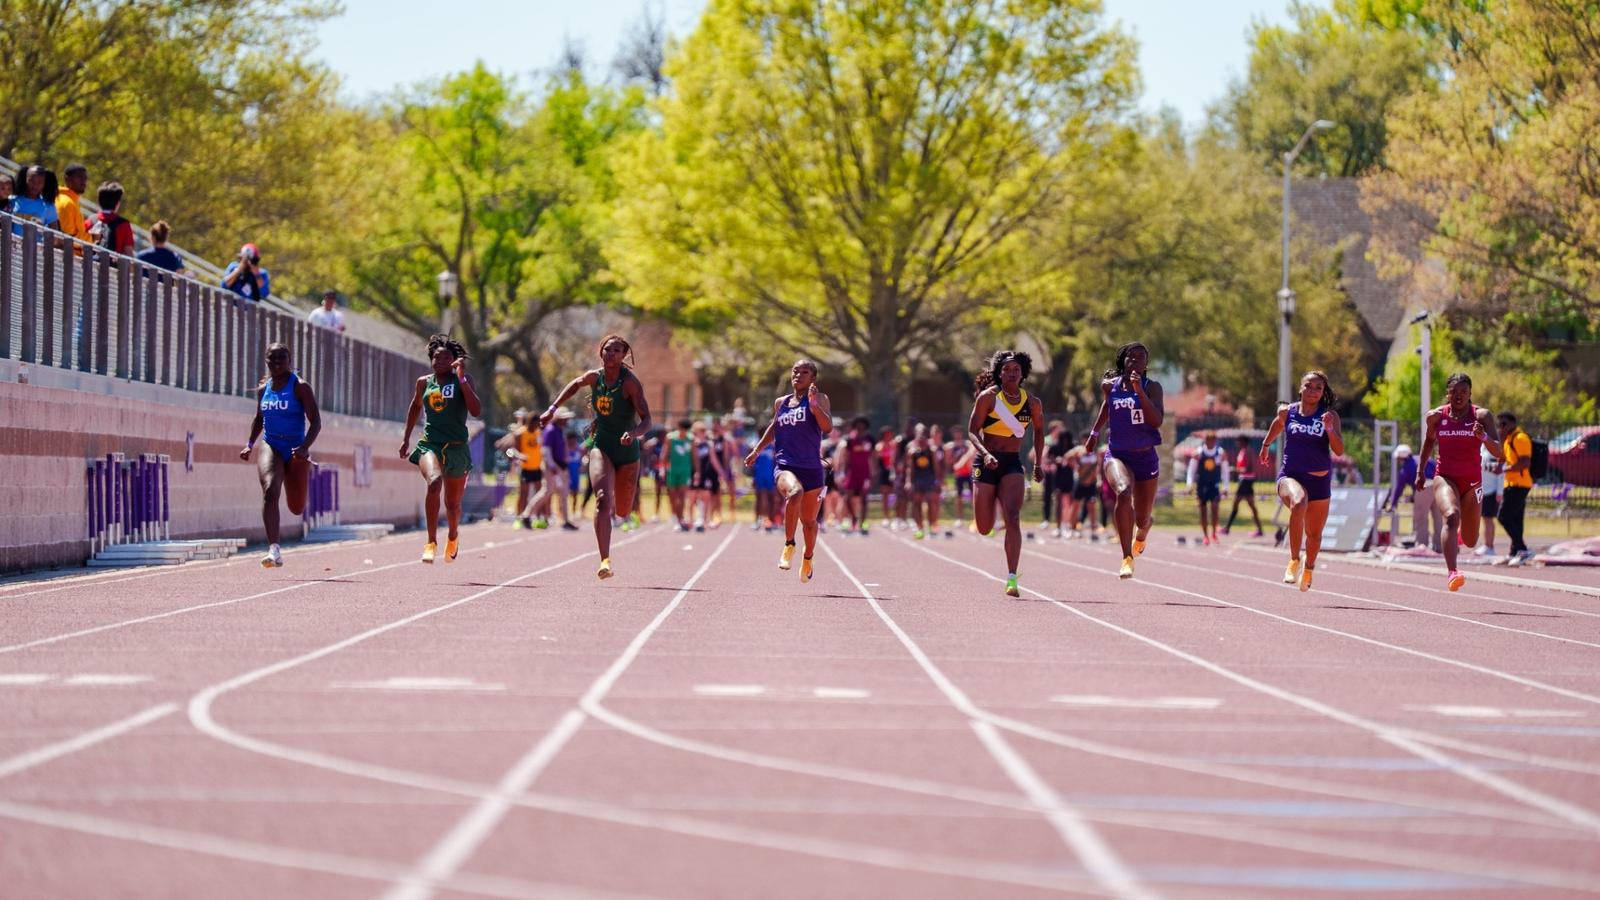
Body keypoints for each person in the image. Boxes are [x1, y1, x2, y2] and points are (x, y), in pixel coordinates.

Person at [541, 334, 653, 579]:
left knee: (623, 510)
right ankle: (605, 560)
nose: (610, 354)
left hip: (628, 450)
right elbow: (575, 384)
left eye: (615, 351)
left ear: (624, 355)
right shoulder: (595, 377)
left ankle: (621, 516)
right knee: (602, 499)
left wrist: (633, 434)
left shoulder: (630, 383)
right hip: (601, 445)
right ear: (600, 352)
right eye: (606, 350)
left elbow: (647, 420)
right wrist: (552, 409)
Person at [967, 351, 1046, 598]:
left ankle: (1012, 577)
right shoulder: (988, 398)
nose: (1012, 373)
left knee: (1013, 517)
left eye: (1016, 370)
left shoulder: (1032, 403)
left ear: (1023, 374)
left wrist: (1038, 463)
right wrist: (985, 453)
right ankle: (985, 518)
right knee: (983, 527)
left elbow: (1040, 433)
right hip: (986, 461)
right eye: (1007, 369)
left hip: (1012, 462)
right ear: (999, 373)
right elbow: (972, 430)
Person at [745, 359, 833, 581]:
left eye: (805, 372)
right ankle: (789, 544)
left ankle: (808, 558)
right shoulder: (781, 403)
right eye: (795, 371)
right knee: (794, 493)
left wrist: (813, 405)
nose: (799, 375)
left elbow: (827, 427)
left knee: (810, 522)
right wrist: (757, 450)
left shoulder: (820, 399)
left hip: (812, 467)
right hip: (785, 464)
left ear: (813, 378)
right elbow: (775, 426)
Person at [1414, 373, 1502, 591]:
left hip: (1472, 483)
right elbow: (1428, 444)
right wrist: (1420, 472)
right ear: (1448, 393)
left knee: (1471, 541)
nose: (1459, 396)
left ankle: (1459, 535)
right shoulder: (1436, 417)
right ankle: (1453, 572)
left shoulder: (1482, 416)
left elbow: (1499, 452)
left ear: (1470, 393)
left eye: (1463, 392)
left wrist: (1483, 437)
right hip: (1445, 477)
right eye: (1454, 392)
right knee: (1451, 517)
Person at [1085, 342, 1165, 579]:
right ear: (1123, 361)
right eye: (1131, 357)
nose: (1136, 361)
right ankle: (1126, 557)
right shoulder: (1110, 386)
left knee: (1142, 518)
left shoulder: (1153, 388)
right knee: (1122, 490)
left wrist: (1139, 391)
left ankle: (1142, 532)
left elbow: (1157, 421)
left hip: (1145, 457)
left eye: (1141, 358)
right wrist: (1094, 432)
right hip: (1118, 453)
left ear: (1146, 364)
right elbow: (1106, 406)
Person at [400, 335, 482, 563]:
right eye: (437, 357)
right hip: (430, 444)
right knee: (434, 482)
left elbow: (476, 410)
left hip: (456, 447)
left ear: (455, 361)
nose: (441, 361)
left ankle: (453, 536)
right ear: (431, 359)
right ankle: (430, 542)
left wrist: (462, 378)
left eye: (447, 358)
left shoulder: (463, 380)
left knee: (453, 504)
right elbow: (415, 406)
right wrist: (406, 438)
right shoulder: (424, 383)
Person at [1259, 371, 1343, 592]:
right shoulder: (1288, 412)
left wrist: (1330, 429)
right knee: (1298, 502)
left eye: (1319, 388)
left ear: (1323, 392)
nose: (1313, 391)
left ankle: (1309, 569)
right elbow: (1278, 425)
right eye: (1309, 386)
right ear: (1300, 388)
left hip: (1320, 480)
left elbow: (1339, 450)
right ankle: (1294, 560)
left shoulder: (1329, 416)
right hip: (1291, 475)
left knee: (1314, 536)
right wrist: (1266, 445)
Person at [239, 342, 320, 568]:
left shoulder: (300, 387)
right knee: (270, 490)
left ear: (289, 361)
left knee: (296, 507)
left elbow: (316, 422)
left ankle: (304, 467)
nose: (276, 364)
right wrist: (249, 443)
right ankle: (274, 549)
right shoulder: (264, 389)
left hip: (296, 450)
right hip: (271, 444)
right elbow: (259, 418)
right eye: (272, 360)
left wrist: (305, 447)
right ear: (266, 362)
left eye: (281, 359)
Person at [524, 407, 578, 531]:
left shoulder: (559, 430)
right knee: (547, 492)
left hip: (561, 467)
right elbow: (546, 450)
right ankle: (527, 515)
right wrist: (552, 466)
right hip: (553, 467)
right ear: (558, 419)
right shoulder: (551, 430)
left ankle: (565, 520)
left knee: (564, 494)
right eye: (564, 419)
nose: (567, 421)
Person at [1496, 411, 1534, 566]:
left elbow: (1525, 462)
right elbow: (1503, 458)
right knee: (1516, 520)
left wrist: (1504, 469)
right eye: (1499, 425)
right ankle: (1514, 553)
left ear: (1513, 423)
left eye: (1504, 424)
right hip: (1510, 484)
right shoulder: (1508, 440)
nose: (1501, 427)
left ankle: (1523, 549)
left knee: (1503, 517)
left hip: (1520, 484)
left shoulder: (1520, 438)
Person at [1187, 430, 1229, 546]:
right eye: (1208, 440)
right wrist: (1190, 484)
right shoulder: (1199, 453)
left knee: (1215, 508)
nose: (1210, 443)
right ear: (1205, 441)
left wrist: (1226, 487)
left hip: (1214, 485)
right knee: (1203, 511)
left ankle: (1214, 532)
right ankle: (1205, 535)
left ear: (1215, 441)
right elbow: (1191, 469)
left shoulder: (1220, 453)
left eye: (1212, 440)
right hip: (1202, 485)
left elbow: (1225, 471)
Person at [505, 409, 544, 528]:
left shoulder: (539, 433)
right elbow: (512, 450)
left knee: (539, 494)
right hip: (525, 468)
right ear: (529, 422)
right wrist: (520, 456)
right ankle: (519, 518)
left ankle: (537, 518)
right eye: (534, 423)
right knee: (523, 494)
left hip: (537, 468)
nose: (536, 426)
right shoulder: (520, 434)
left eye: (538, 424)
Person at [905, 423, 942, 539]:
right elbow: (910, 468)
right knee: (917, 504)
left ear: (926, 435)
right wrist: (908, 482)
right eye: (918, 434)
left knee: (931, 502)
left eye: (923, 434)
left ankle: (931, 526)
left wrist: (938, 481)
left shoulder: (932, 450)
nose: (920, 437)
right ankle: (919, 527)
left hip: (929, 480)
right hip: (917, 480)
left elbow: (936, 467)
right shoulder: (912, 451)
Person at [1223, 434, 1264, 536]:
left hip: (1246, 480)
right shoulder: (1242, 452)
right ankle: (1259, 529)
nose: (1237, 443)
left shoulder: (1247, 452)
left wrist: (1233, 469)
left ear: (1244, 442)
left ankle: (1227, 528)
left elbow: (1247, 469)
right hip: (1245, 480)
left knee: (1236, 503)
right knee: (1251, 505)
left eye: (1239, 441)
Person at [841, 417, 874, 533]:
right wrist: (844, 473)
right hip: (852, 472)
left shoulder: (870, 439)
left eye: (862, 426)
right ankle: (853, 517)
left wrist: (873, 473)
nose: (860, 428)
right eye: (858, 425)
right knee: (847, 498)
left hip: (865, 473)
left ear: (865, 427)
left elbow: (873, 457)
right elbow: (846, 457)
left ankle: (863, 522)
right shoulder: (850, 440)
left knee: (864, 498)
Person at [8, 165, 60, 235]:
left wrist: (42, 230)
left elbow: (55, 235)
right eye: (31, 181)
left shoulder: (49, 206)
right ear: (26, 179)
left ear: (44, 183)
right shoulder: (12, 200)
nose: (35, 185)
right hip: (11, 244)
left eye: (40, 182)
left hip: (35, 245)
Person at [86, 182, 135, 256]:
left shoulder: (90, 220)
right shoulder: (124, 224)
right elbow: (128, 252)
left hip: (89, 265)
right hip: (112, 266)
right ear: (117, 204)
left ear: (99, 201)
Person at [664, 419, 694, 530]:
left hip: (685, 471)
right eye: (682, 429)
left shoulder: (690, 439)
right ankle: (676, 516)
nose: (684, 431)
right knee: (673, 497)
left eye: (686, 430)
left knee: (681, 497)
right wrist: (663, 468)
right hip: (672, 471)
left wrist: (697, 472)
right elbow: (665, 453)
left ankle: (680, 519)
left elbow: (694, 456)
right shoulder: (670, 438)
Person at [1477, 436, 1504, 557]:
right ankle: (1486, 544)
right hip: (1482, 490)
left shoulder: (1494, 450)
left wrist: (1500, 491)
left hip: (1491, 490)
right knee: (1484, 519)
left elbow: (1500, 472)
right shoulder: (1481, 448)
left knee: (1488, 519)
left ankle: (1489, 546)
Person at [947, 426, 975, 527]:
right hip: (959, 474)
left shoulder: (967, 444)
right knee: (958, 497)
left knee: (974, 497)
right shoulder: (950, 446)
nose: (957, 434)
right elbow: (949, 461)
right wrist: (955, 459)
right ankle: (959, 518)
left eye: (959, 432)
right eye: (955, 433)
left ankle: (975, 518)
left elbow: (972, 455)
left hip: (969, 473)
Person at [55, 163, 90, 244]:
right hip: (68, 255)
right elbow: (69, 237)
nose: (84, 181)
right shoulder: (66, 203)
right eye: (79, 177)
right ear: (67, 179)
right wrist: (91, 238)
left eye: (85, 178)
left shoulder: (71, 200)